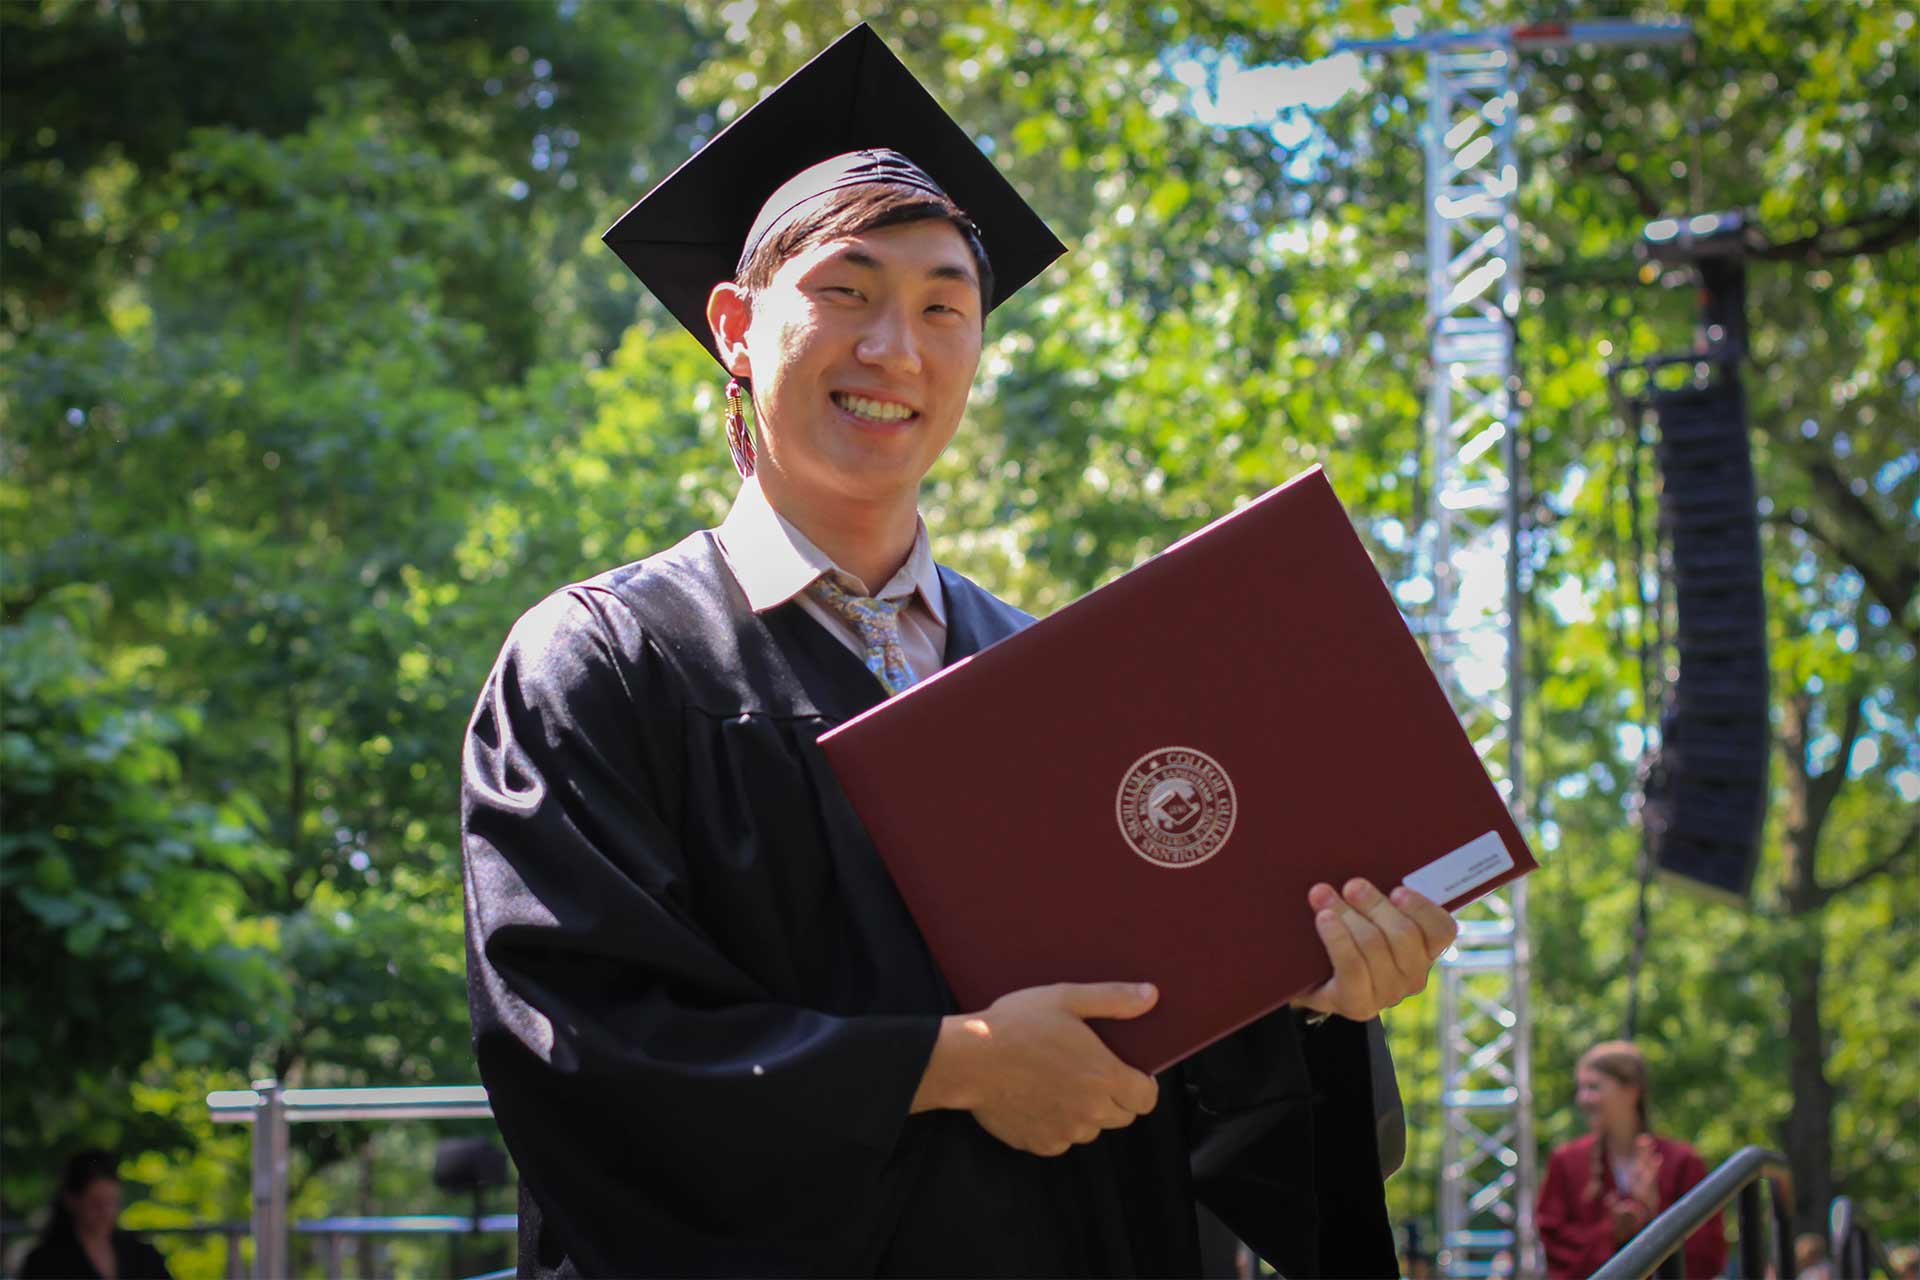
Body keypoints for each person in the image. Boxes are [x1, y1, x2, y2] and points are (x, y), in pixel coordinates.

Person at [462, 23, 1457, 1278]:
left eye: (946, 304)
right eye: (846, 290)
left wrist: (1310, 995)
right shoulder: (602, 665)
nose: (897, 350)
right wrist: (952, 1065)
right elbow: (584, 1046)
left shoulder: (1054, 673)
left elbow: (1171, 1048)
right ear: (733, 322)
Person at [1536, 1041, 1726, 1279]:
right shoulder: (1566, 1162)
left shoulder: (1683, 1162)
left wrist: (1653, 1217)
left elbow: (1710, 1254)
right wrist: (1610, 1233)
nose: (1583, 1098)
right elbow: (1554, 1244)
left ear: (1631, 1090)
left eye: (1594, 1087)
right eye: (1580, 1088)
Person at [18, 1150, 172, 1280]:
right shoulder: (46, 1262)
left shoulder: (142, 1254)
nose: (106, 1213)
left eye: (112, 1202)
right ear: (72, 1201)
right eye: (96, 1204)